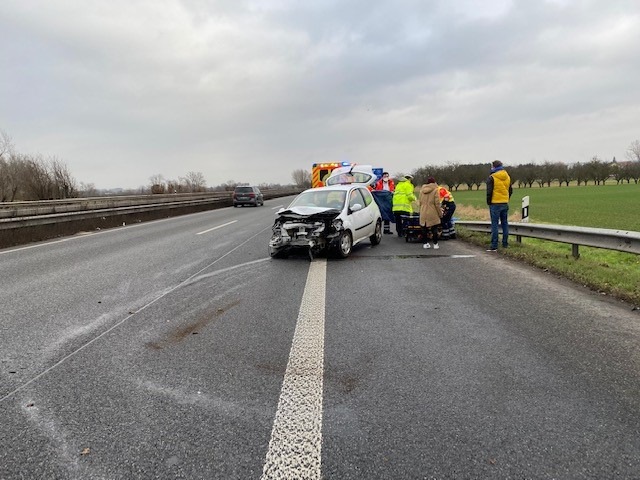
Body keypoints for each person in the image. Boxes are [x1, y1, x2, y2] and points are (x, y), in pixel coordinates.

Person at [486, 160, 513, 251]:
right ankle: (505, 243)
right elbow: (510, 190)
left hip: (495, 203)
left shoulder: (492, 177)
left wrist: (489, 202)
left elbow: (489, 192)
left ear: (493, 167)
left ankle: (494, 245)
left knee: (495, 224)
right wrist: (506, 199)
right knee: (505, 223)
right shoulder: (507, 176)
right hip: (504, 202)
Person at [419, 177, 443, 249]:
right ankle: (435, 244)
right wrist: (440, 213)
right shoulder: (435, 190)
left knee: (424, 228)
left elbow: (420, 202)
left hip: (423, 211)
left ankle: (425, 243)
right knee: (434, 228)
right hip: (432, 211)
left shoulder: (422, 190)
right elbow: (437, 204)